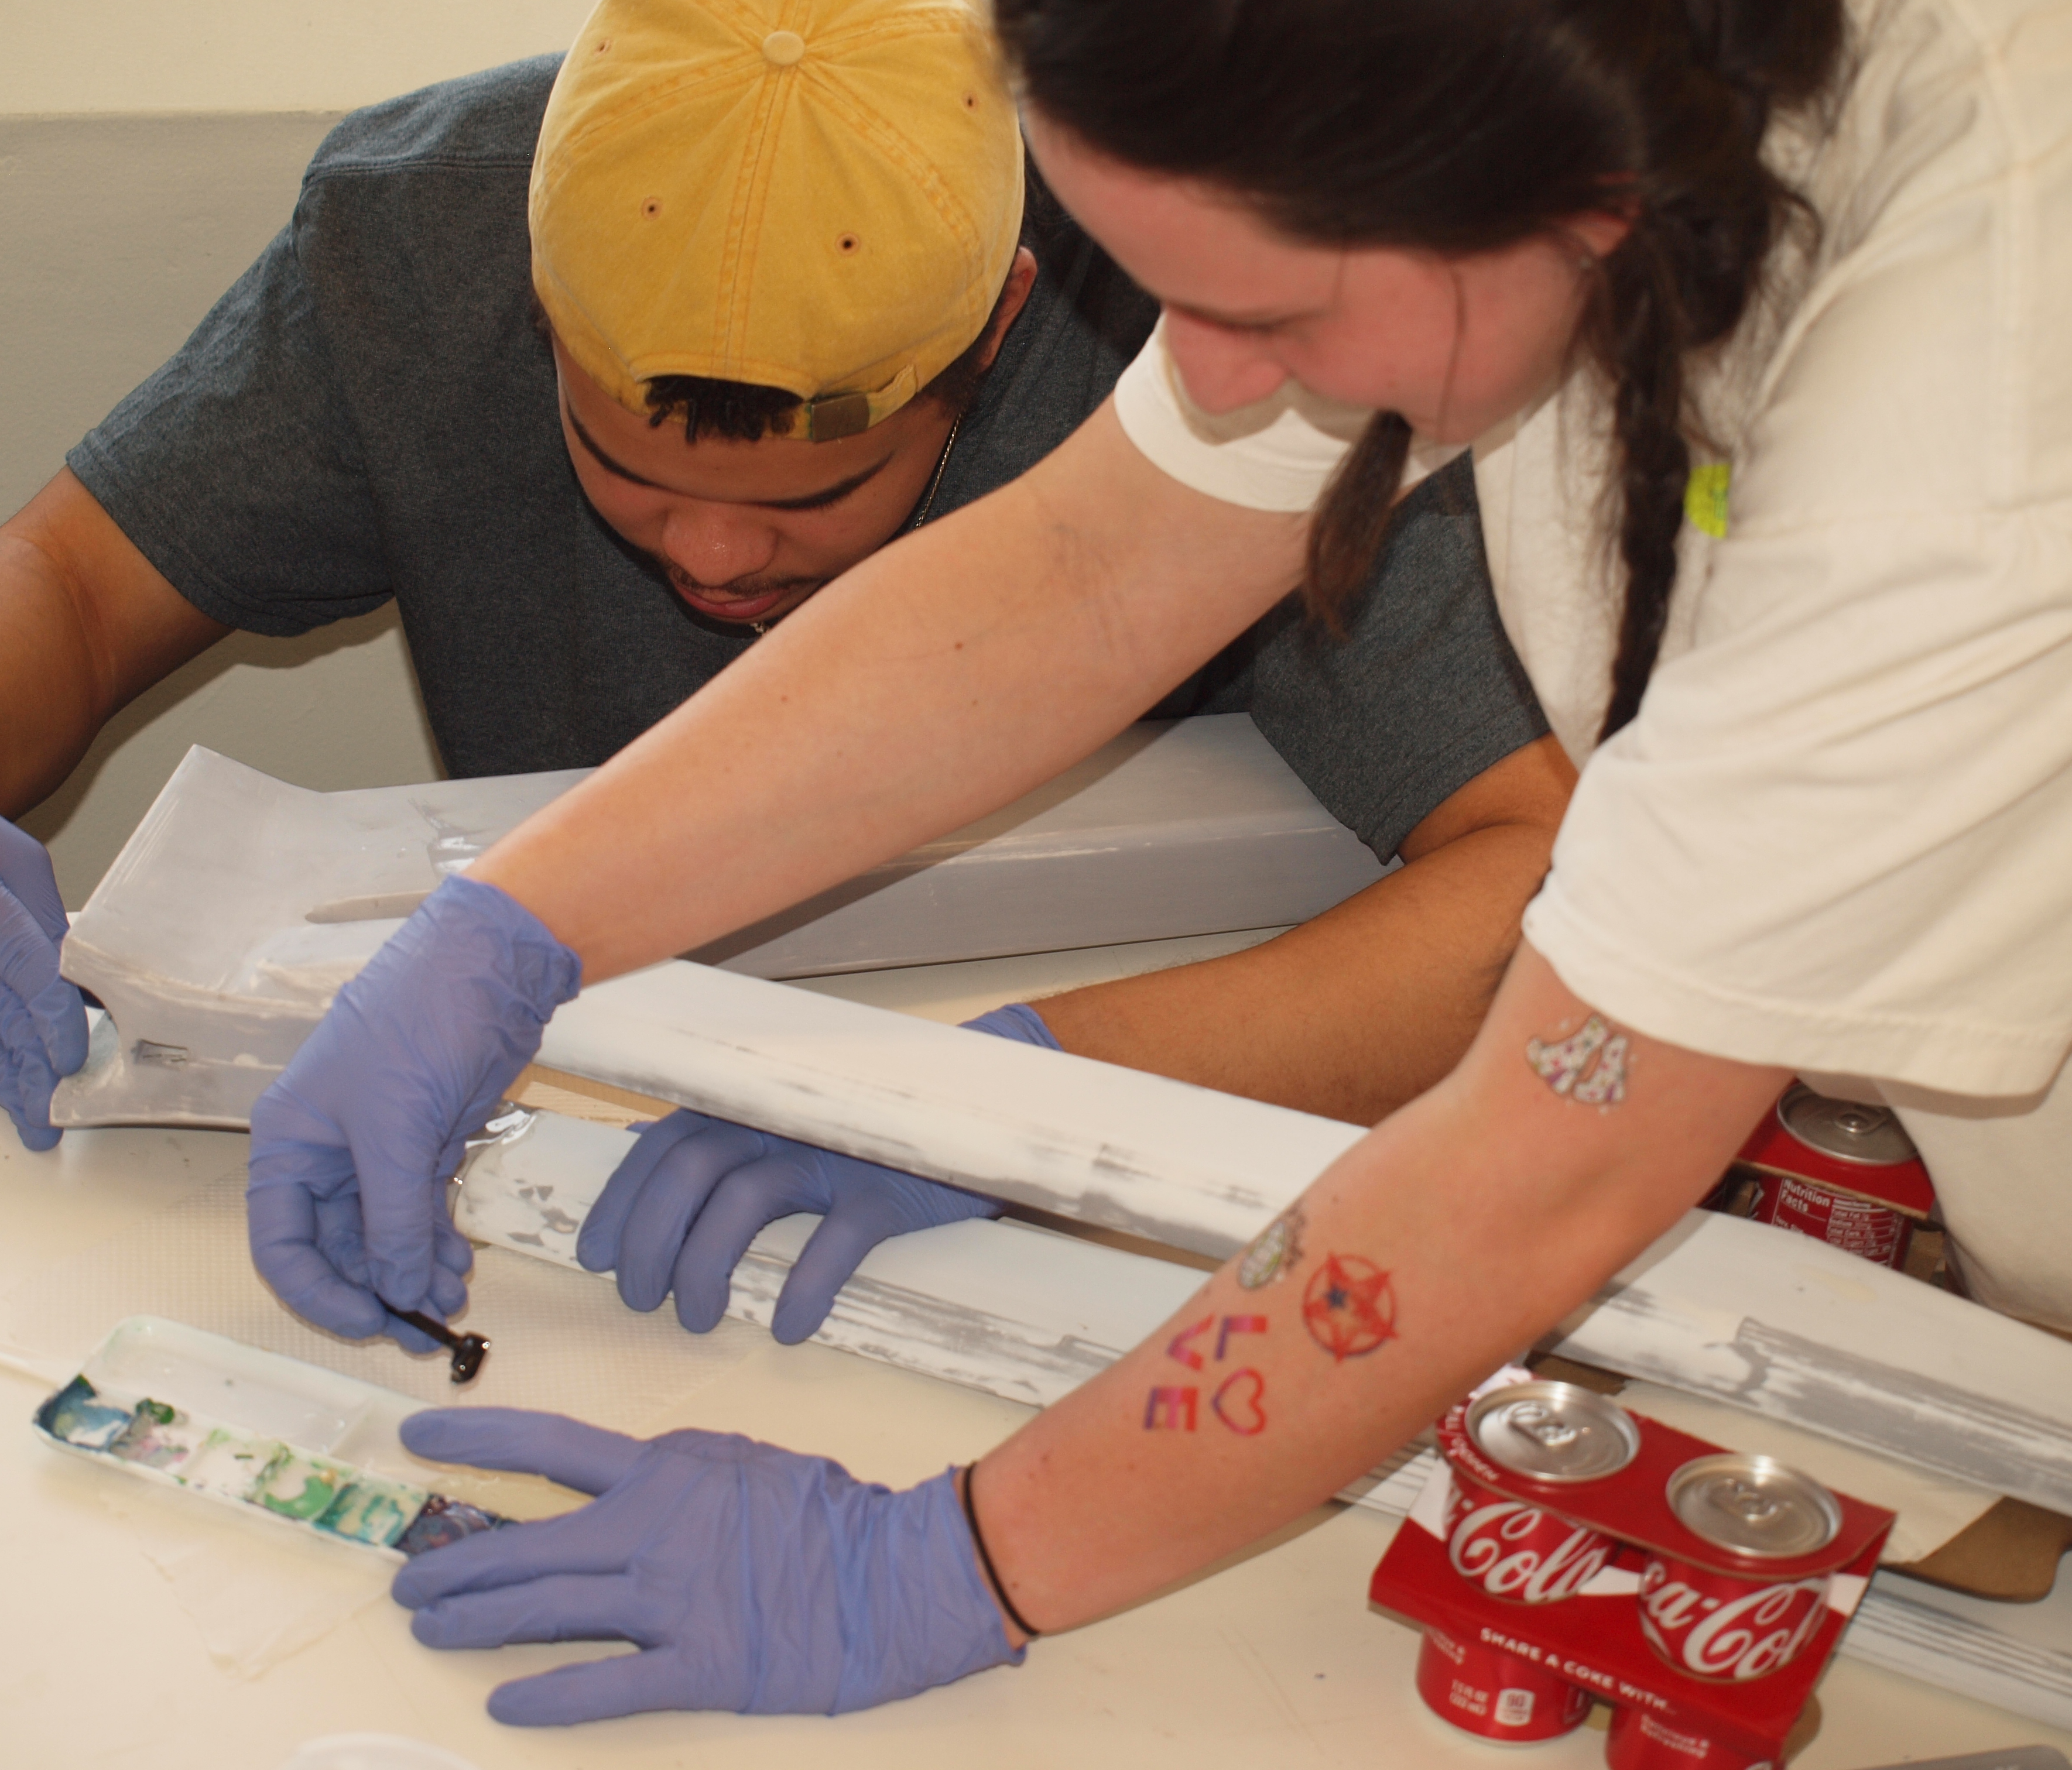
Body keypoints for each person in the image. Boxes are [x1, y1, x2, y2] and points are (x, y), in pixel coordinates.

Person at [237, 0, 2072, 1729]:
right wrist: (515, 923)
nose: (1204, 375)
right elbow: (1102, 564)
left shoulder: (1970, 420)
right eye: (1160, 290)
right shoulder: (1490, 119)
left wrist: (941, 1561)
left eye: (1259, 314)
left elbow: (1546, 1165)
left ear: (1588, 200)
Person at [0, 0, 1563, 1322]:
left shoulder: (1212, 304)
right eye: (626, 468)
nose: (713, 556)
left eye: (823, 499)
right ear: (527, 305)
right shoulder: (425, 235)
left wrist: (1022, 1089)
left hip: (1126, 1176)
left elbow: (1545, 894)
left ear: (1008, 324)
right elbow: (66, 582)